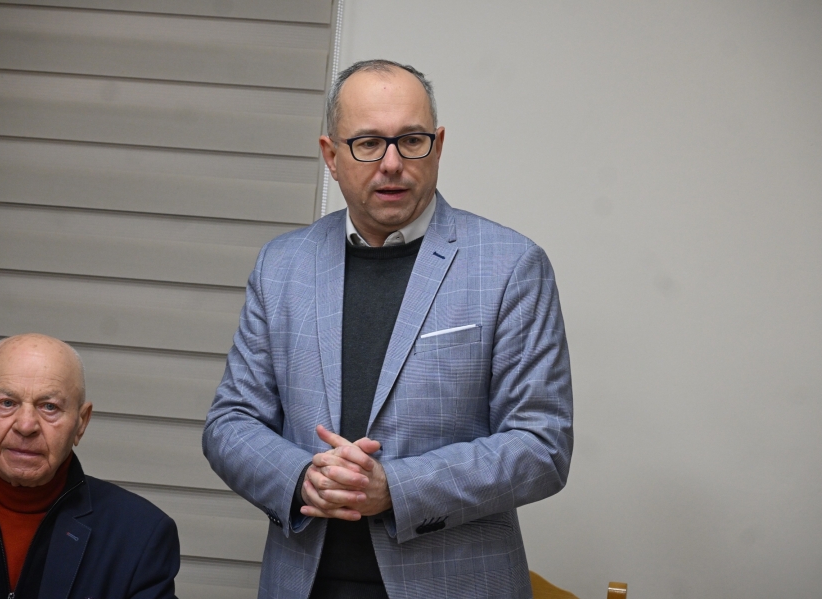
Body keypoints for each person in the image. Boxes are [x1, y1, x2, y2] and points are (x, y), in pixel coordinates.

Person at [203, 59, 573, 599]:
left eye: (411, 141)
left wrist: (396, 488)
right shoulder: (281, 265)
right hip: (304, 585)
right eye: (369, 143)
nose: (393, 163)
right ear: (331, 156)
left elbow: (542, 446)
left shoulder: (511, 266)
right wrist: (303, 477)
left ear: (438, 147)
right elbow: (230, 423)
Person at [0, 333, 180, 598]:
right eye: (7, 403)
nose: (26, 425)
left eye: (49, 407)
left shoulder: (140, 535)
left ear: (81, 423)